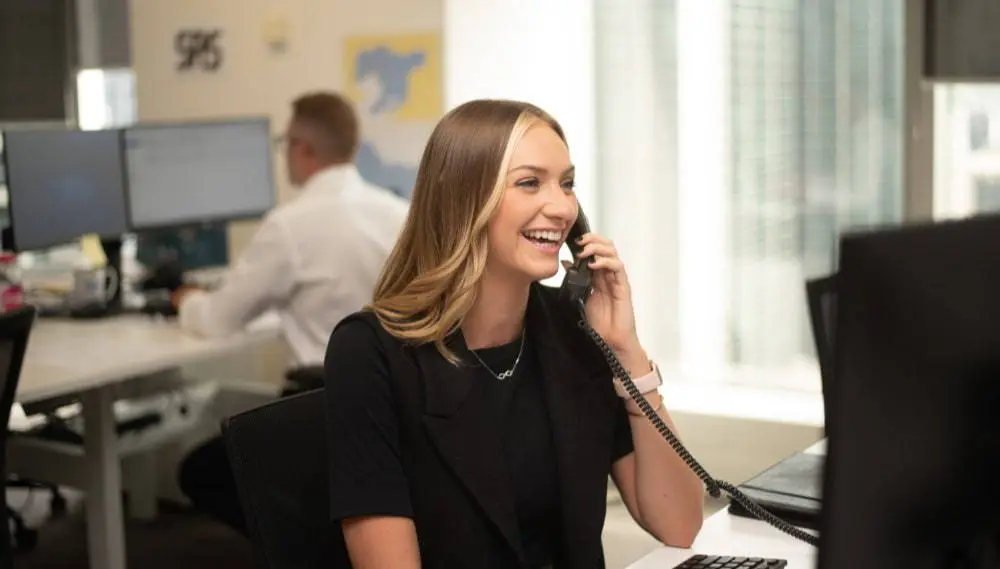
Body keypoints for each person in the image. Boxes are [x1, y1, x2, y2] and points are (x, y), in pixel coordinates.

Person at [324, 99, 704, 569]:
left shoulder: (572, 330)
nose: (562, 207)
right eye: (529, 183)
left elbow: (680, 523)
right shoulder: (371, 352)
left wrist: (627, 351)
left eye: (567, 184)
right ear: (462, 197)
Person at [174, 91, 409, 536]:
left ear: (303, 148)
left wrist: (184, 299)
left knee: (199, 472)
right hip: (389, 409)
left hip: (318, 410)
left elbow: (217, 320)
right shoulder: (399, 213)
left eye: (286, 144)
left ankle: (299, 546)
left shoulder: (290, 224)